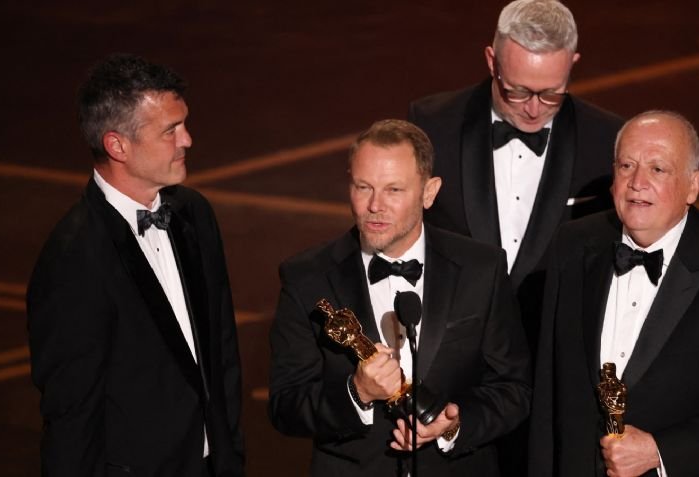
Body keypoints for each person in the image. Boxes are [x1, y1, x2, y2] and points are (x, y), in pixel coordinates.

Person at [529, 110, 699, 476]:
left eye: (658, 169)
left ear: (692, 186)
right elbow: (549, 387)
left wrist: (660, 451)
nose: (637, 183)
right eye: (627, 166)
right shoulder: (573, 245)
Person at [268, 119, 531, 477]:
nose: (375, 205)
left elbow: (514, 389)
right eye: (363, 187)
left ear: (429, 192)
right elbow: (285, 406)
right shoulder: (307, 277)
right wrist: (357, 393)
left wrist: (454, 426)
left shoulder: (481, 268)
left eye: (393, 190)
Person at [27, 54, 245, 476]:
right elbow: (72, 415)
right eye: (170, 130)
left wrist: (230, 458)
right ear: (118, 145)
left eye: (184, 124)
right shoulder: (75, 257)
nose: (187, 140)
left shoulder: (194, 213)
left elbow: (223, 358)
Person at [408, 0, 623, 349]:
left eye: (551, 93)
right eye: (518, 91)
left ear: (573, 63)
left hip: (552, 351)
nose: (534, 109)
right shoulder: (432, 124)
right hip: (453, 349)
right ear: (492, 61)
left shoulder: (607, 141)